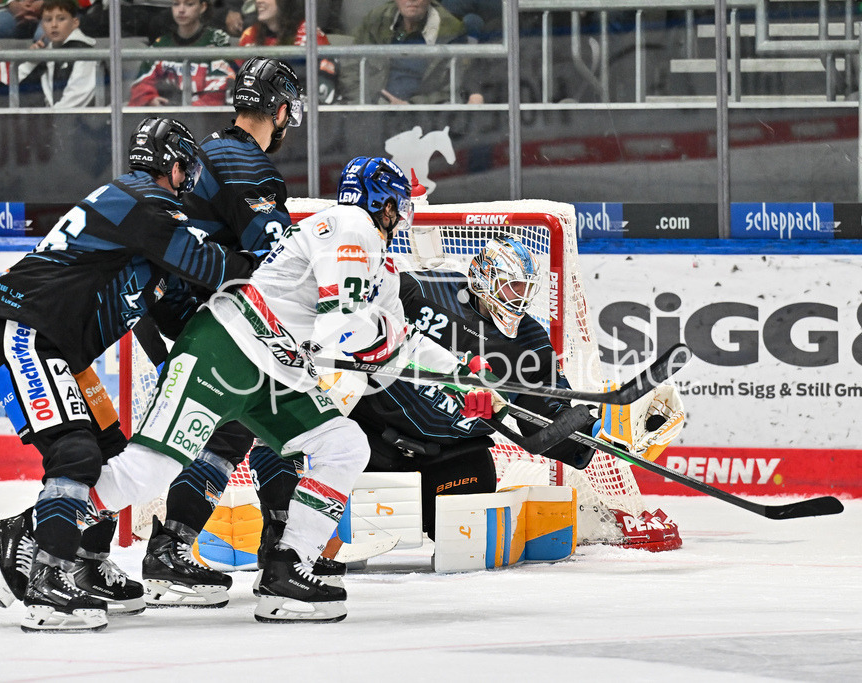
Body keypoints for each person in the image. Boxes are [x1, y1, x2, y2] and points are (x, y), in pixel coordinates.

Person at [84, 156, 498, 623]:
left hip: (276, 370)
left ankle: (288, 566)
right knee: (153, 469)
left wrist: (461, 375)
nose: (406, 215)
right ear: (384, 202)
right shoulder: (350, 224)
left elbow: (392, 352)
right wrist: (384, 349)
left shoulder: (381, 265)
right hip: (228, 347)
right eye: (402, 204)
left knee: (342, 446)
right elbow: (344, 331)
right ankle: (43, 534)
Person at [0, 117, 257, 633]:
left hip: (60, 348)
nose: (189, 177)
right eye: (187, 166)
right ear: (173, 164)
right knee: (76, 453)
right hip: (25, 333)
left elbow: (173, 314)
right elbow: (209, 265)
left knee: (109, 455)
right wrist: (272, 266)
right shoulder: (142, 199)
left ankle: (83, 561)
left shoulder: (146, 228)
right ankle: (44, 571)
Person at [242, 236, 598, 555]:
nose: (517, 298)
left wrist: (581, 432)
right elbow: (357, 311)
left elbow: (544, 413)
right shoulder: (421, 290)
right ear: (484, 279)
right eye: (509, 287)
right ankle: (281, 541)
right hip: (374, 442)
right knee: (295, 440)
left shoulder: (529, 339)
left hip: (453, 457)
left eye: (524, 288)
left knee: (467, 547)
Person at [136, 56, 306, 609]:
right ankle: (276, 550)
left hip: (167, 308)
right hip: (205, 313)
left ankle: (241, 547)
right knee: (283, 412)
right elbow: (274, 257)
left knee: (234, 429)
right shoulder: (245, 161)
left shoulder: (207, 150)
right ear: (280, 109)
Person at [339, 0, 484, 105]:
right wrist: (364, 104)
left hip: (422, 120)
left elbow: (451, 89)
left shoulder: (451, 31)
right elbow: (351, 68)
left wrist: (411, 107)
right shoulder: (376, 20)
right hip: (371, 114)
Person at [128, 0, 235, 107]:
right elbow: (141, 83)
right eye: (176, 4)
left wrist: (190, 111)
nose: (181, 10)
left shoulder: (216, 40)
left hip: (206, 119)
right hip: (166, 117)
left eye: (189, 4)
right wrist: (151, 99)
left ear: (202, 7)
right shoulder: (162, 44)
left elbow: (223, 84)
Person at [238, 0, 338, 104]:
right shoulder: (249, 35)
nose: (258, 1)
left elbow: (325, 81)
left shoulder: (308, 33)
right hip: (257, 113)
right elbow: (235, 79)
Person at [17, 0, 99, 108]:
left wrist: (49, 120)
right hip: (45, 120)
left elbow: (76, 99)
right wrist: (32, 61)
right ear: (42, 25)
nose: (54, 25)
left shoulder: (85, 53)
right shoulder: (45, 53)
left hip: (74, 122)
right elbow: (15, 90)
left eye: (61, 19)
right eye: (48, 20)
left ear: (75, 23)